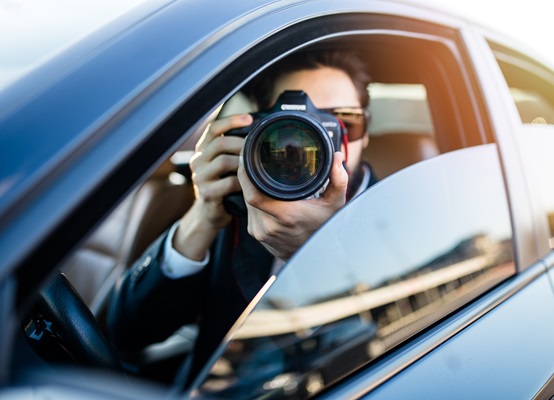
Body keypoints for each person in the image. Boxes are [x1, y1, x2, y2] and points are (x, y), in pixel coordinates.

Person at [106, 48, 376, 385]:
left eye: (340, 123)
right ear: (257, 130)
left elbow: (379, 349)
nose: (315, 143)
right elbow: (126, 334)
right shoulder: (238, 206)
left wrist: (315, 258)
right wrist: (202, 215)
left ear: (366, 130)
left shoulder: (403, 213)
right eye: (292, 129)